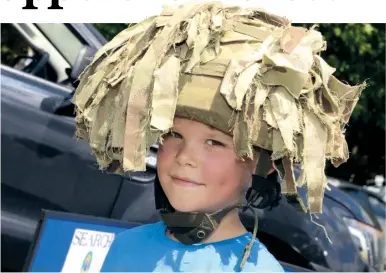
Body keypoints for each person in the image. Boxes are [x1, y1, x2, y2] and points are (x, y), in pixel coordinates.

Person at [72, 1, 366, 272]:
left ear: (264, 166)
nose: (185, 157)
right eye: (173, 134)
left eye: (215, 142)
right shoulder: (124, 247)